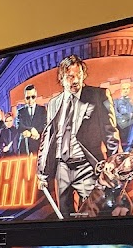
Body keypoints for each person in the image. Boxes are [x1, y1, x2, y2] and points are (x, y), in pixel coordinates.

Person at [36, 54, 119, 217]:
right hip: (62, 168)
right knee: (64, 216)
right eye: (70, 76)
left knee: (95, 214)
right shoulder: (53, 103)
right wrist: (42, 173)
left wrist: (114, 162)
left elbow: (110, 131)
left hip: (87, 166)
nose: (75, 80)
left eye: (78, 75)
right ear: (61, 78)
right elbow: (48, 139)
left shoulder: (98, 96)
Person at [16, 84, 47, 155]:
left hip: (39, 145)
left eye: (33, 97)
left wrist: (38, 134)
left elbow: (45, 124)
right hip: (25, 147)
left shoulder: (42, 109)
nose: (30, 100)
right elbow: (19, 126)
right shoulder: (20, 111)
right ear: (24, 97)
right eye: (28, 98)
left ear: (36, 95)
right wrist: (31, 129)